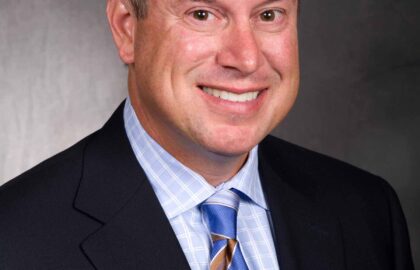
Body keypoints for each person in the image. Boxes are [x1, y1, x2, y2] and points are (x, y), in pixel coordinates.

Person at [0, 0, 414, 269]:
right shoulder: (13, 238)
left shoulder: (367, 210)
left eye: (268, 15)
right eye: (202, 14)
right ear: (127, 29)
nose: (246, 58)